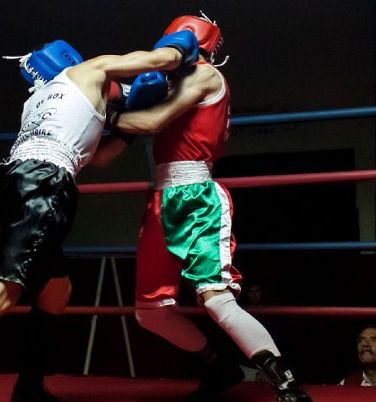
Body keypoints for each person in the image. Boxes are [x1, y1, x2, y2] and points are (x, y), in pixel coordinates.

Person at [0, 35, 199, 402]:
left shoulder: (39, 98)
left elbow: (100, 157)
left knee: (56, 291)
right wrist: (180, 48)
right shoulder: (90, 69)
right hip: (46, 183)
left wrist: (121, 126)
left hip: (13, 179)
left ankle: (29, 387)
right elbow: (155, 61)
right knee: (6, 288)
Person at [109, 14, 312, 402]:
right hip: (159, 201)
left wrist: (105, 107)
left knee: (216, 299)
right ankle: (219, 365)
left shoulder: (204, 76)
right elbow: (115, 148)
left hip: (197, 195)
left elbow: (154, 121)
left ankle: (287, 385)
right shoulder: (164, 83)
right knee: (149, 312)